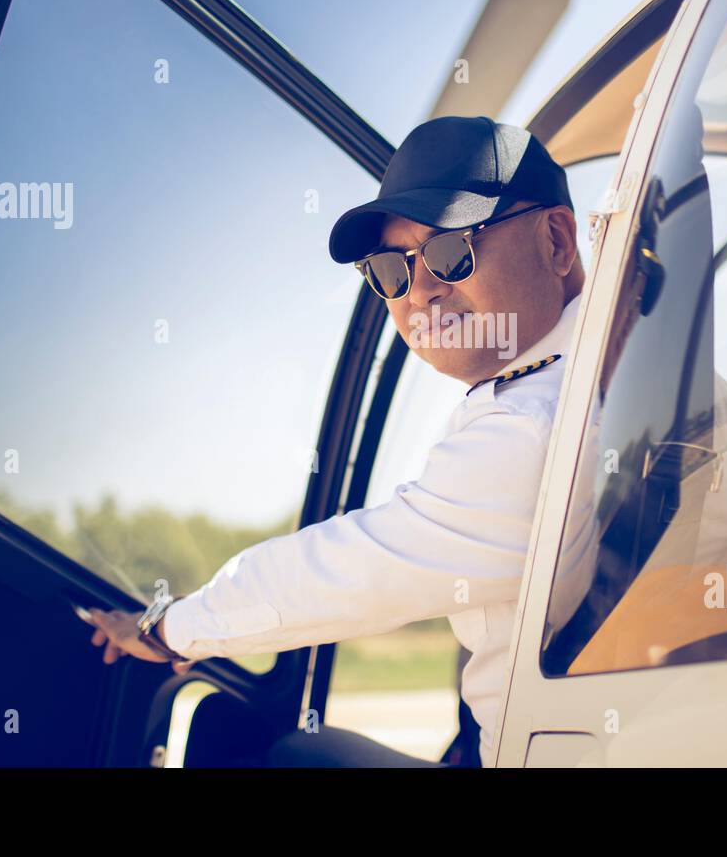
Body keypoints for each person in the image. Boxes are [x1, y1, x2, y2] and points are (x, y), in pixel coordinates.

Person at [87, 115, 584, 768]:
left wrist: (168, 628)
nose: (421, 291)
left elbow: (343, 574)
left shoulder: (542, 424)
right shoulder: (608, 374)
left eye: (451, 250)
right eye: (390, 269)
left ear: (555, 241)